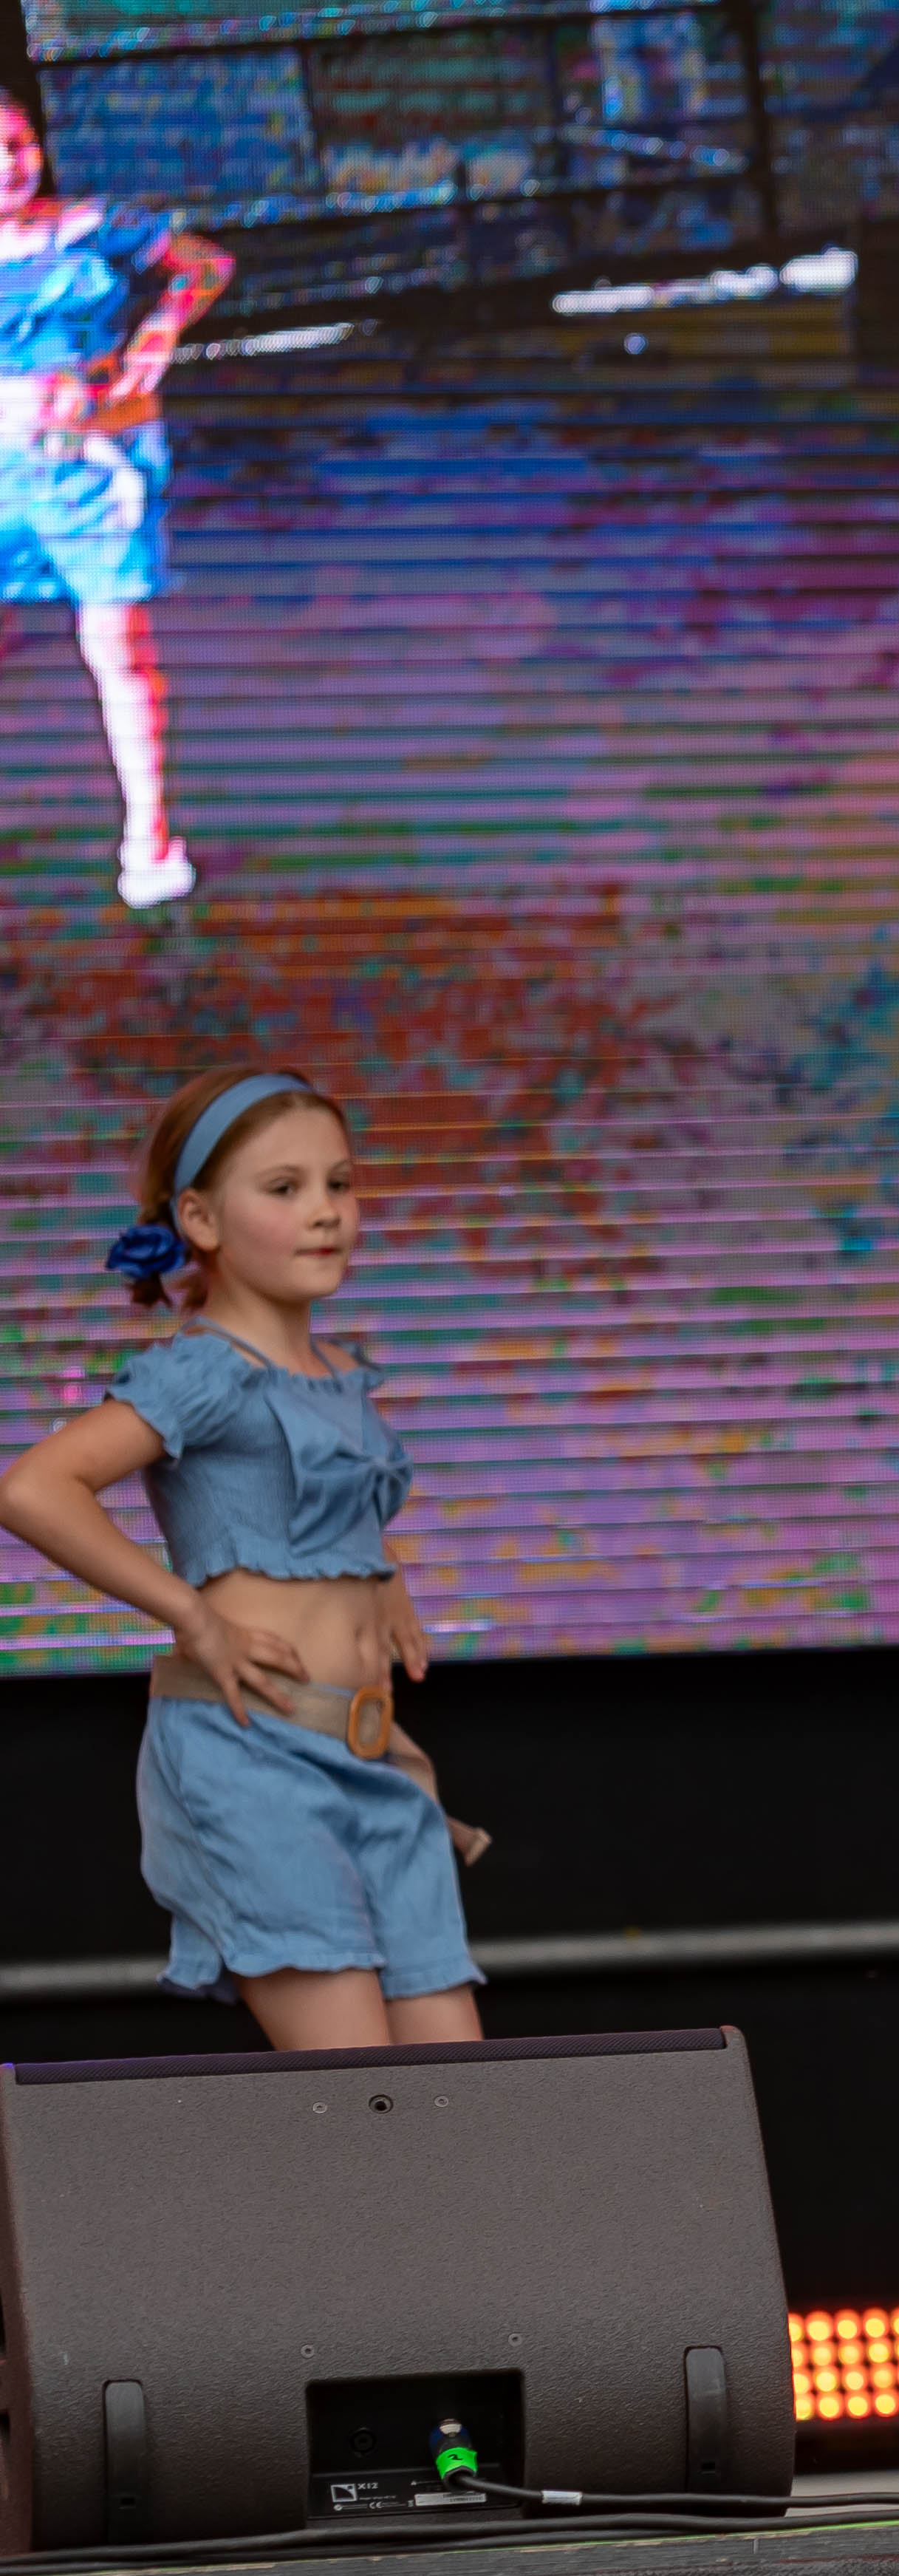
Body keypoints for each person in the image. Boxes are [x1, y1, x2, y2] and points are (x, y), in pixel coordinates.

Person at [0, 1069, 476, 2051]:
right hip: (256, 1758)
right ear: (201, 1219)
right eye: (285, 1188)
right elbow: (36, 1488)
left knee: (461, 2092)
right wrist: (194, 1615)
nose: (325, 1212)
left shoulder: (337, 1371)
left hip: (370, 1758)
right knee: (367, 2094)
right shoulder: (203, 1368)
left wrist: (380, 1570)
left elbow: (307, 1498)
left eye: (340, 1183)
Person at [0, 96, 230, 910]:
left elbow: (206, 265)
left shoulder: (99, 226)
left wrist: (161, 330)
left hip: (95, 469)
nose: (8, 165)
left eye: (18, 145)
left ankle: (149, 833)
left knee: (118, 648)